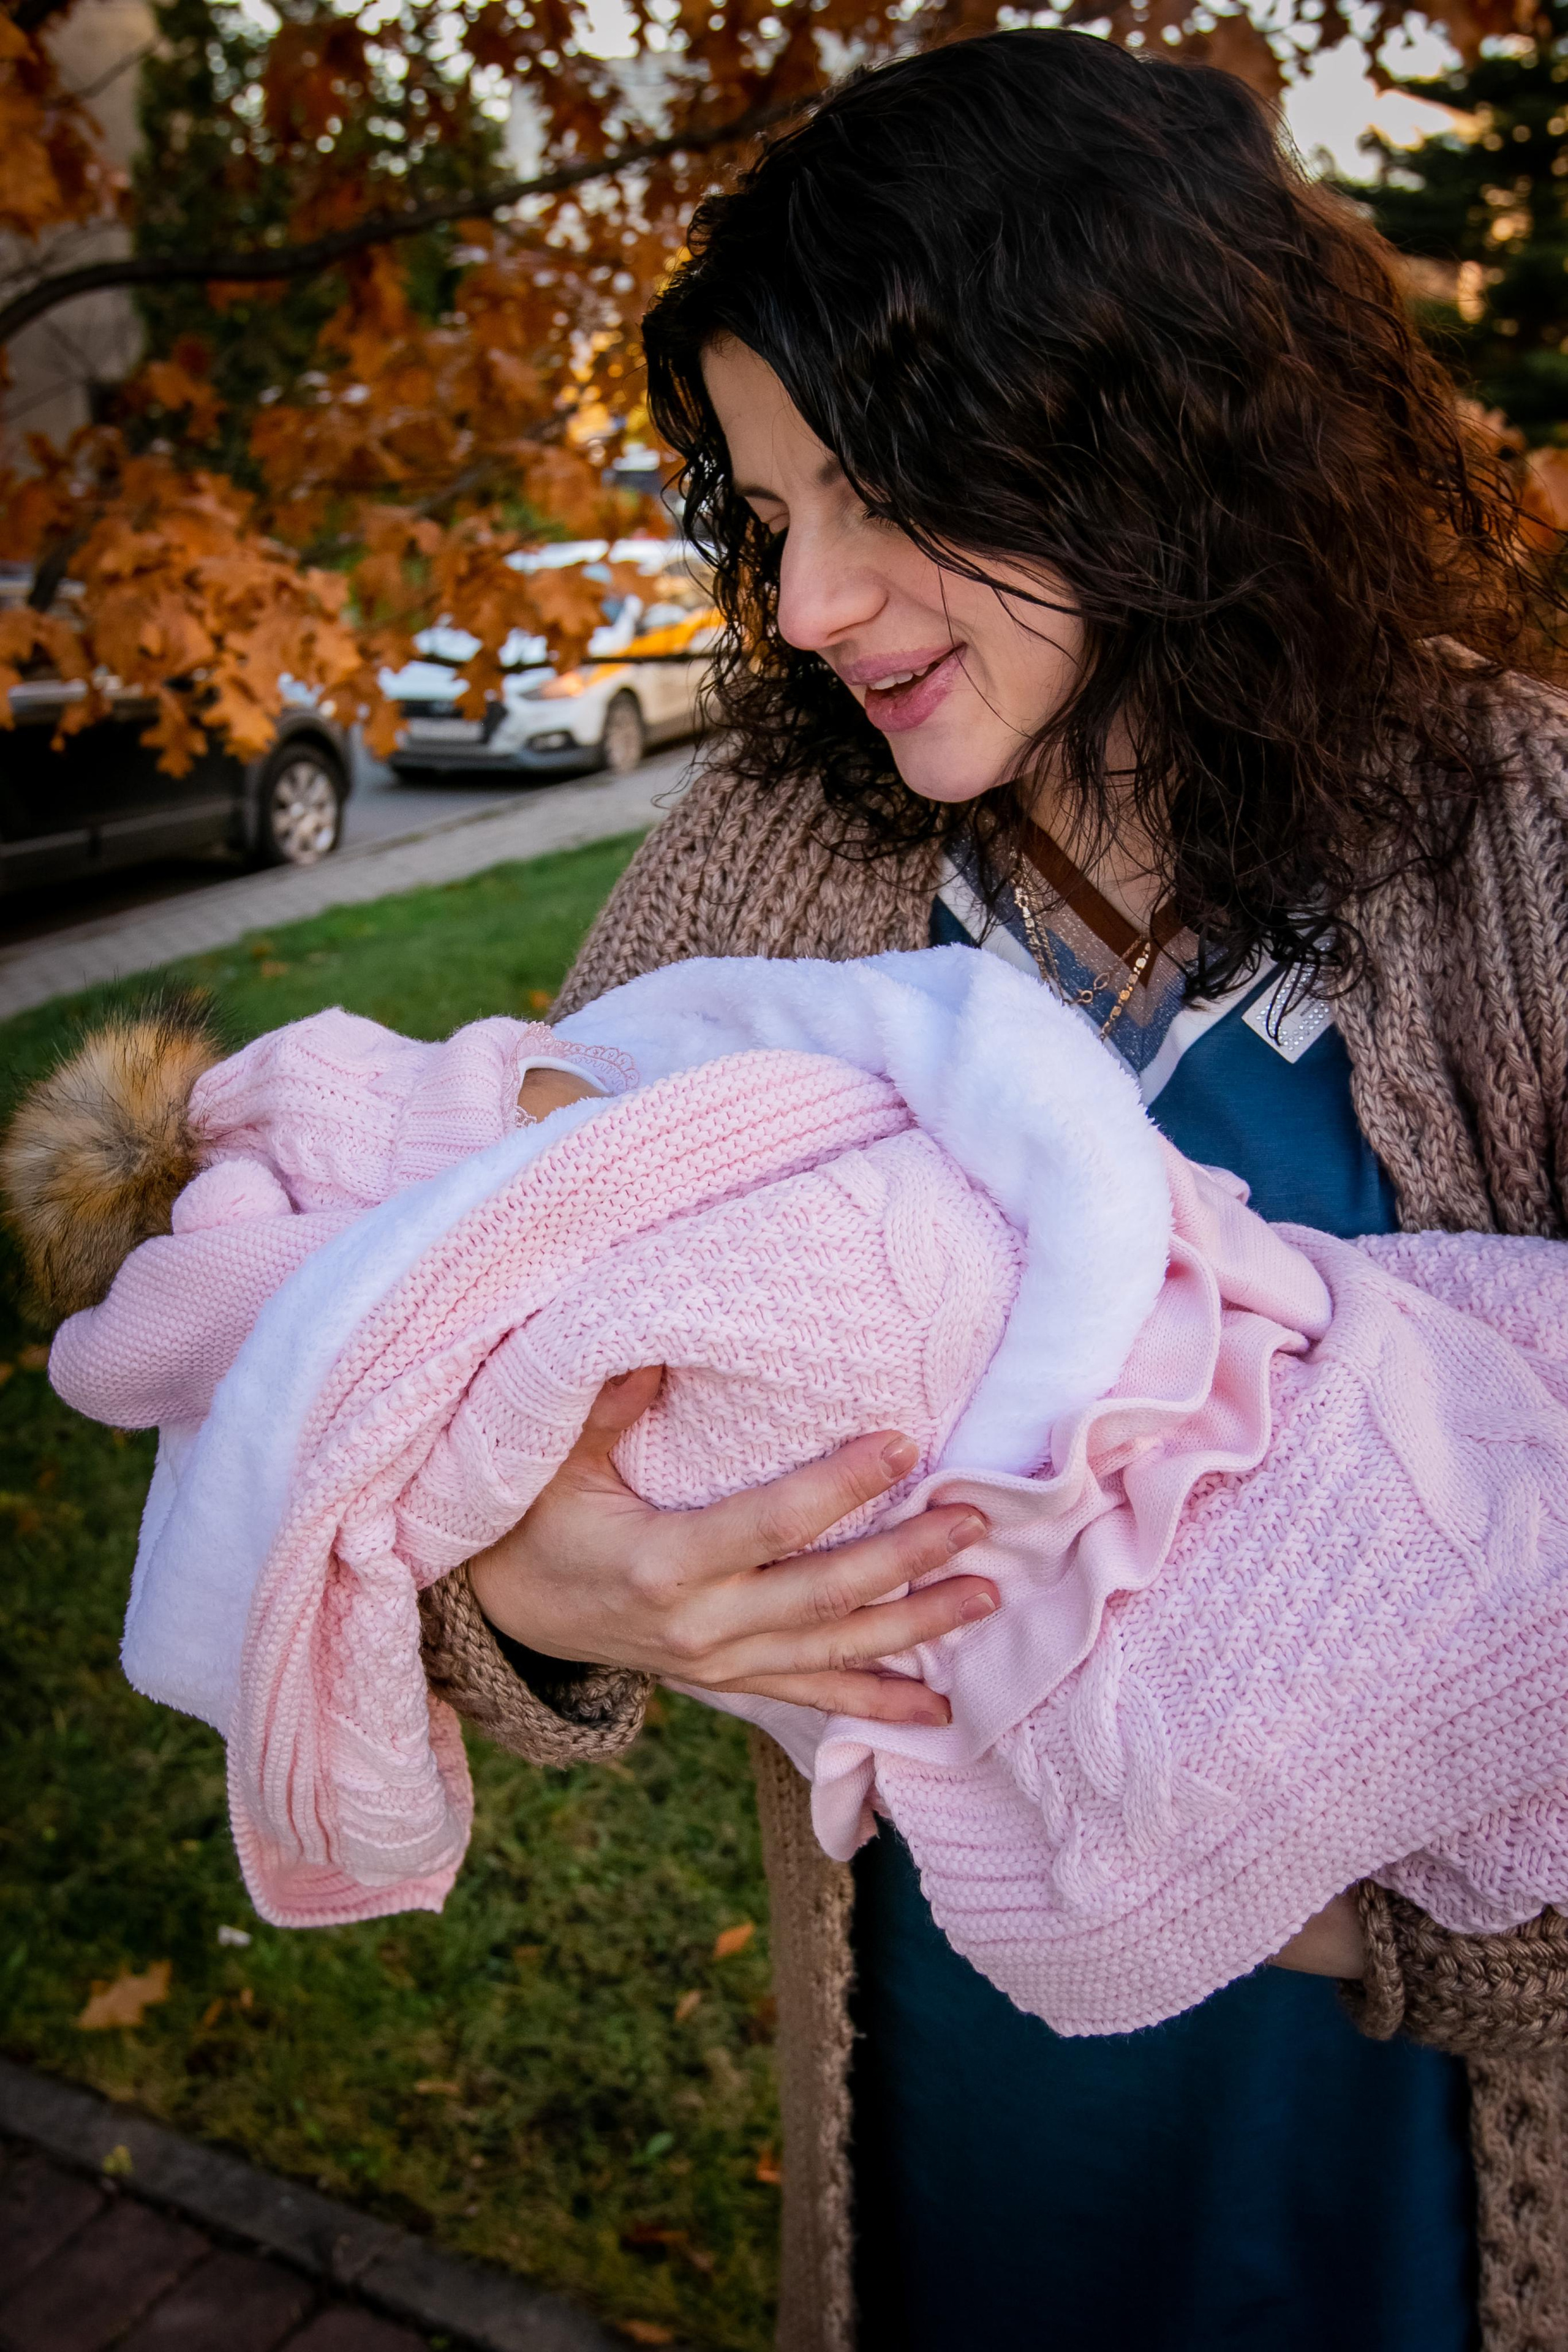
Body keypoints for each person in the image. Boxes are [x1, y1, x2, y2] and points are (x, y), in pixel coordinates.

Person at [413, 30, 1568, 2352]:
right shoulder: (759, 865)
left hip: (1408, 2181)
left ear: (1136, 420)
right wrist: (543, 1592)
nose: (813, 599)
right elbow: (448, 1356)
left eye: (876, 492)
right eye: (768, 513)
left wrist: (1396, 1932)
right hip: (968, 2132)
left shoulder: (1522, 840)